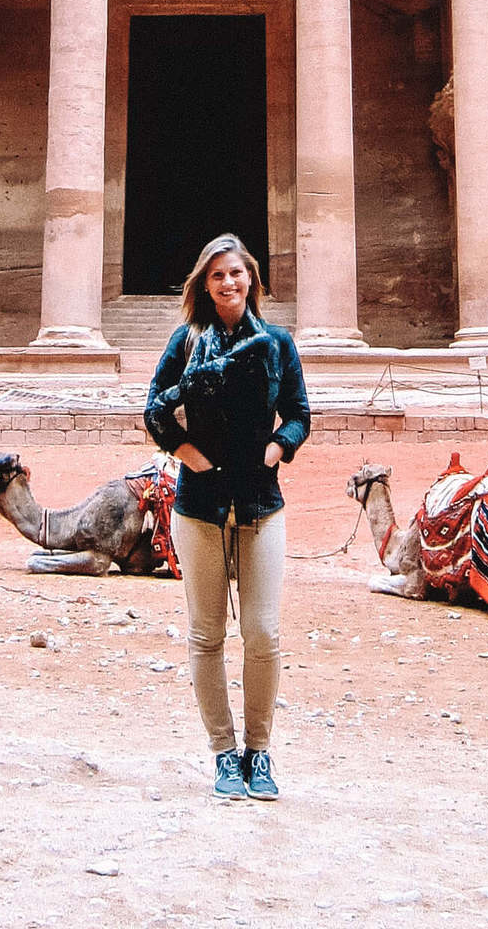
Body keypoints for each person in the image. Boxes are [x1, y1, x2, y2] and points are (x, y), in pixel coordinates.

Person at [143, 233, 311, 801]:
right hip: (200, 506)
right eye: (217, 275)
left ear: (251, 280)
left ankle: (258, 751)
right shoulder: (187, 342)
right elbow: (154, 409)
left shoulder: (279, 344)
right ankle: (223, 754)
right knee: (206, 634)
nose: (228, 283)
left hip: (262, 503)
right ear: (204, 284)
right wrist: (191, 459)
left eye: (236, 273)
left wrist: (275, 449)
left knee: (262, 633)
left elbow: (299, 415)